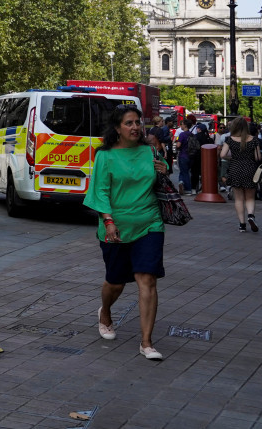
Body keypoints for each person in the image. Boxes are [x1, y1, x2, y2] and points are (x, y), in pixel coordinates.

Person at [85, 104, 168, 360]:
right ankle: (106, 313)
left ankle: (146, 343)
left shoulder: (149, 151)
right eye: (129, 123)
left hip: (150, 223)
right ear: (117, 128)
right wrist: (108, 221)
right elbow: (99, 191)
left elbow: (160, 178)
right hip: (116, 227)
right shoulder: (105, 156)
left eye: (137, 122)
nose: (135, 127)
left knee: (148, 279)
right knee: (116, 282)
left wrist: (163, 169)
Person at [219, 117, 262, 232]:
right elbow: (258, 157)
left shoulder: (230, 139)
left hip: (235, 168)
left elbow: (222, 155)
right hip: (250, 169)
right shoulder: (253, 139)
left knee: (238, 198)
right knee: (250, 197)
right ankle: (251, 216)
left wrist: (232, 157)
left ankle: (242, 224)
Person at [175, 117, 195, 195]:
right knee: (185, 171)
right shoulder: (192, 135)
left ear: (185, 125)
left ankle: (187, 189)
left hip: (183, 155)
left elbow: (178, 145)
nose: (180, 126)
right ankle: (181, 182)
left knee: (184, 172)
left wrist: (176, 144)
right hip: (191, 156)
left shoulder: (182, 134)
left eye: (182, 124)